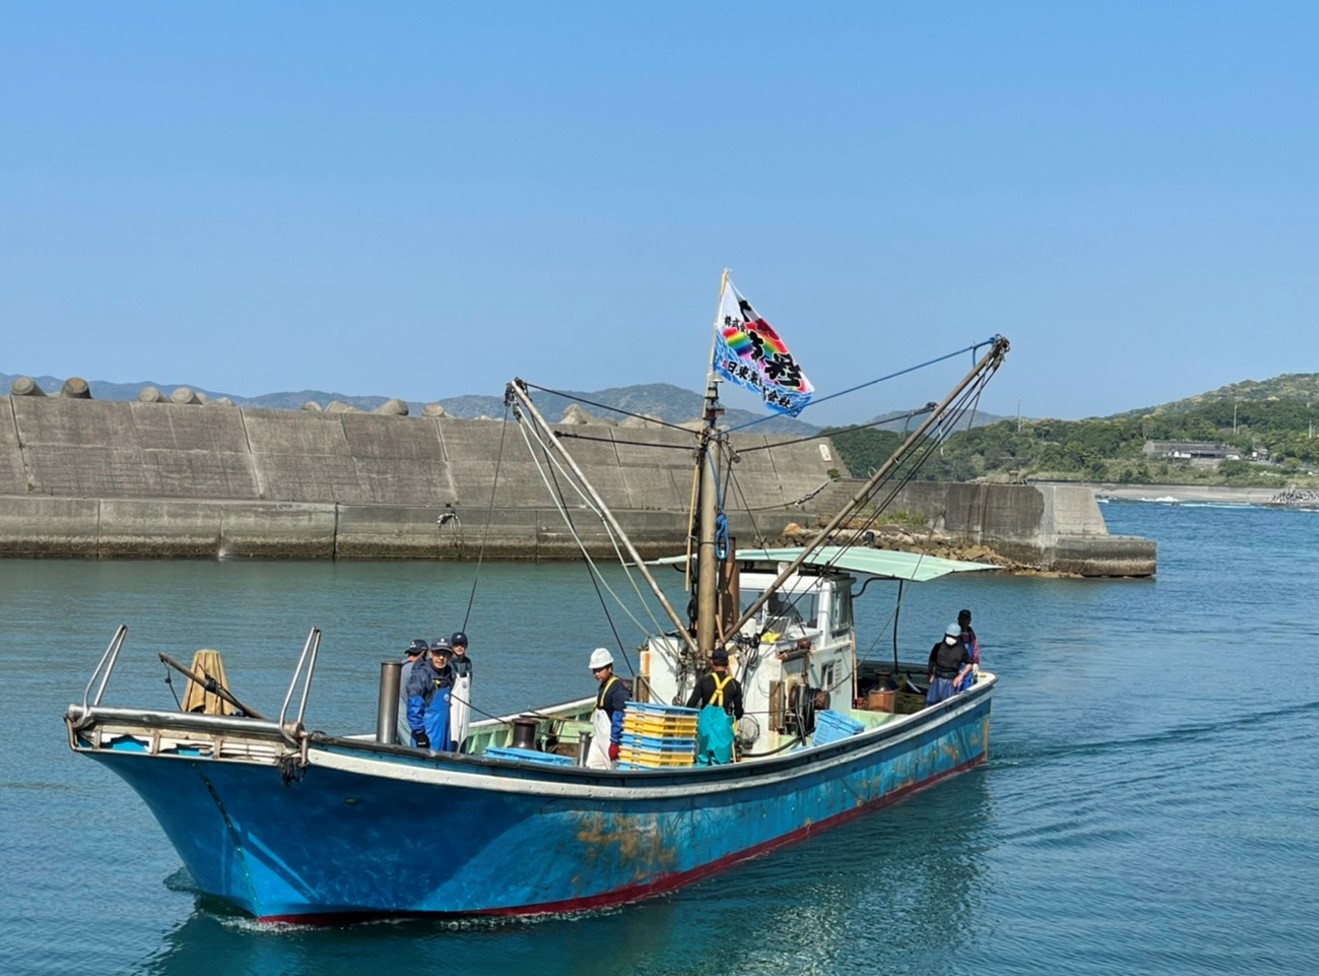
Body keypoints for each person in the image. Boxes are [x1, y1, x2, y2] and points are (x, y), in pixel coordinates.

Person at [687, 647, 743, 765]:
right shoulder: (735, 685)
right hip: (723, 728)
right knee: (721, 762)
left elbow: (690, 705)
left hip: (705, 726)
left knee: (702, 760)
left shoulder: (703, 681)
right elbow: (739, 712)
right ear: (727, 663)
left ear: (712, 663)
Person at [406, 638, 455, 751]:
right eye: (438, 653)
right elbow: (414, 707)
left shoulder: (448, 674)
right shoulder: (421, 675)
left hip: (444, 732)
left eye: (445, 654)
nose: (441, 658)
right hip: (428, 733)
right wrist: (420, 733)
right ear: (430, 654)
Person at [586, 647, 627, 769]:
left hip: (609, 738)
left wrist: (615, 742)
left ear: (609, 668)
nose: (596, 674)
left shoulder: (618, 689)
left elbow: (619, 716)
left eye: (599, 670)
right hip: (599, 738)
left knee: (612, 767)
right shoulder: (603, 686)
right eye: (594, 670)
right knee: (592, 765)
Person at [927, 623, 974, 705]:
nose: (951, 638)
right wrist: (931, 674)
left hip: (951, 681)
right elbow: (931, 661)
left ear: (958, 637)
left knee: (947, 704)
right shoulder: (938, 647)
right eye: (949, 635)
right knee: (931, 703)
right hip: (937, 679)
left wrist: (961, 676)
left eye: (954, 636)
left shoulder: (961, 650)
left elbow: (970, 663)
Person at [396, 638, 429, 745]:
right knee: (411, 747)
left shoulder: (400, 666)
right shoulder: (416, 671)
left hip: (394, 714)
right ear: (424, 653)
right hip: (407, 715)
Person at [448, 631, 473, 752]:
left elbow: (470, 683)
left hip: (465, 703)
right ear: (452, 647)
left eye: (462, 644)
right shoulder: (449, 663)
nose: (459, 647)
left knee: (463, 734)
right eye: (456, 645)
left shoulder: (468, 663)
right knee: (453, 733)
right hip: (453, 703)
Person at [956, 609, 981, 692]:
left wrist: (975, 662)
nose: (964, 621)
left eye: (966, 618)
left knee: (966, 689)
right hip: (955, 666)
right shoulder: (955, 632)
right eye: (962, 618)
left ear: (970, 620)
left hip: (968, 667)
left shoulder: (971, 635)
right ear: (958, 619)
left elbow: (975, 648)